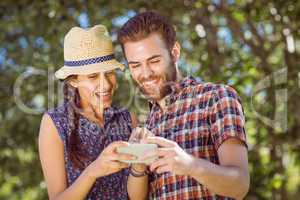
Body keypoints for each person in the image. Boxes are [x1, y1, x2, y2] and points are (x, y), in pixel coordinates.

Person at [118, 11, 250, 200]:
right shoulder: (149, 123)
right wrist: (138, 164)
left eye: (154, 61)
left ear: (175, 53)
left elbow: (240, 185)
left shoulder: (216, 98)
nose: (145, 73)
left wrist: (189, 164)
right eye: (135, 65)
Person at [38, 25, 137, 200]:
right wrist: (93, 171)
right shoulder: (54, 122)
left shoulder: (128, 119)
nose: (105, 84)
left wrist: (142, 163)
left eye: (109, 73)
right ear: (74, 80)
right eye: (92, 77)